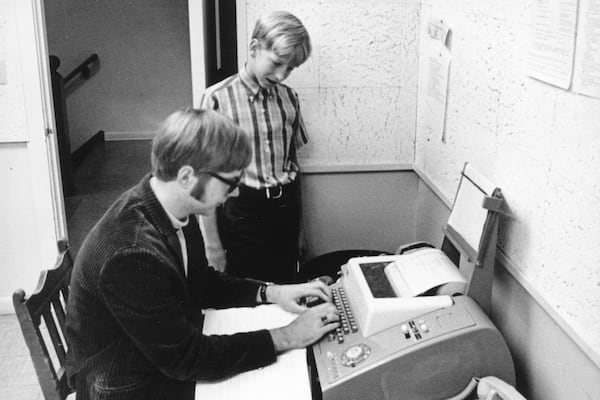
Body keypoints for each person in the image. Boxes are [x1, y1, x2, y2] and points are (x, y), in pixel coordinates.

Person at [65, 109, 339, 400]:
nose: (235, 194)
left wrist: (273, 293)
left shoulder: (166, 206)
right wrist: (288, 335)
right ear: (186, 176)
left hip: (157, 358)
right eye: (231, 183)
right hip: (126, 385)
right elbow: (187, 359)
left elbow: (200, 282)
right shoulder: (131, 253)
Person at [200, 10, 311, 283]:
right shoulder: (217, 100)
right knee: (249, 292)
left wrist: (299, 230)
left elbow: (293, 163)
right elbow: (204, 178)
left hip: (285, 212)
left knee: (286, 289)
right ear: (254, 48)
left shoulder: (289, 99)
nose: (282, 75)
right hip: (242, 214)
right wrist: (212, 244)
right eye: (276, 63)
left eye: (291, 68)